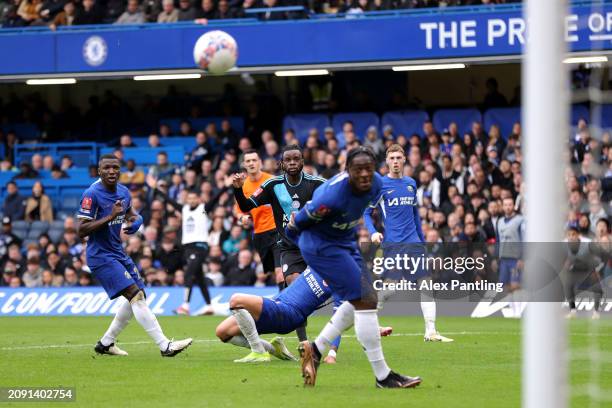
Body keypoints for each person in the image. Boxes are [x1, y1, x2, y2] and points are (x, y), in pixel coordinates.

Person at [286, 146, 421, 388]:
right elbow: (298, 225)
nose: (364, 175)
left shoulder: (378, 184)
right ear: (347, 171)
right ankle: (383, 376)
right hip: (321, 246)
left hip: (345, 241)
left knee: (361, 298)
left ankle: (315, 350)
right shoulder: (330, 196)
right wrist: (302, 250)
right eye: (358, 170)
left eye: (368, 169)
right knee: (366, 299)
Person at [77, 154, 192, 357]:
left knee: (139, 295)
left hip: (118, 252)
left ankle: (106, 343)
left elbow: (131, 212)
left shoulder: (123, 191)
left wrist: (137, 219)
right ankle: (165, 346)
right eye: (107, 168)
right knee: (135, 295)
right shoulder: (92, 194)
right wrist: (110, 217)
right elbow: (82, 229)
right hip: (100, 256)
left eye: (115, 168)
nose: (112, 171)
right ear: (99, 171)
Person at [232, 144, 325, 344]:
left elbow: (336, 199)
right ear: (281, 164)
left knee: (333, 290)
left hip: (314, 247)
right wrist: (238, 190)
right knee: (294, 285)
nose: (292, 163)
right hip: (289, 247)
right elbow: (246, 206)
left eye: (296, 159)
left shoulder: (316, 184)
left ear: (302, 162)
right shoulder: (273, 185)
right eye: (288, 160)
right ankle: (304, 343)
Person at [364, 144, 453, 343]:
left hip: (414, 244)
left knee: (426, 284)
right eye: (392, 158)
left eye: (398, 157)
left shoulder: (411, 184)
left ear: (404, 160)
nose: (395, 161)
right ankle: (369, 320)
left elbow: (415, 215)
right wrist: (372, 233)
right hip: (393, 245)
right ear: (387, 161)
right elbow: (366, 212)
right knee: (390, 289)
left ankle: (431, 331)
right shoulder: (381, 185)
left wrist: (421, 241)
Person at [174, 187, 230, 316]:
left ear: (198, 199)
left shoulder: (203, 209)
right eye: (190, 198)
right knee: (199, 277)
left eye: (194, 198)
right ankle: (209, 306)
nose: (192, 200)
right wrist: (156, 189)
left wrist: (225, 187)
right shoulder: (184, 210)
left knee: (189, 273)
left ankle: (185, 305)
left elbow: (214, 200)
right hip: (188, 247)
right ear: (187, 200)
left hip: (200, 246)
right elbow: (171, 202)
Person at [233, 149, 280, 287]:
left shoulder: (271, 180)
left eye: (254, 160)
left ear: (260, 162)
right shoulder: (243, 186)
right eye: (248, 161)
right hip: (260, 234)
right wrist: (242, 219)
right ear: (244, 164)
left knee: (280, 271)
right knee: (272, 272)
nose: (252, 163)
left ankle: (286, 306)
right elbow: (239, 211)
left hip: (277, 230)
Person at [496, 196, 525, 318]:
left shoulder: (520, 220)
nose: (508, 207)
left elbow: (524, 239)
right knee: (506, 286)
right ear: (502, 207)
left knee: (515, 285)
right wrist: (497, 257)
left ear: (514, 206)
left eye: (510, 204)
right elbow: (498, 240)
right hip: (504, 258)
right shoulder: (500, 221)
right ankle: (512, 310)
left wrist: (522, 258)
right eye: (505, 205)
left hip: (515, 258)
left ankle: (518, 311)